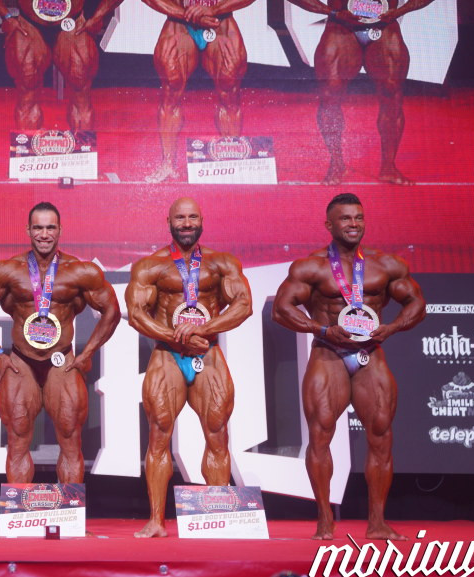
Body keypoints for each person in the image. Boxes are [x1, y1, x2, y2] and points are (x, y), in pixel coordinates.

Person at [272, 193, 425, 539]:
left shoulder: (387, 265)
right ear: (329, 224)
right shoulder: (311, 267)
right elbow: (281, 309)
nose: (353, 224)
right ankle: (325, 520)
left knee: (381, 435)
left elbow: (417, 303)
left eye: (358, 218)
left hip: (371, 352)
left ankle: (377, 522)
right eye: (345, 218)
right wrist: (322, 329)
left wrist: (392, 327)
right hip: (329, 352)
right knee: (320, 434)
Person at [0, 202, 120, 483]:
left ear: (60, 230)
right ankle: (21, 508)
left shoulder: (80, 271)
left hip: (62, 360)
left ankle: (70, 508)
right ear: (28, 230)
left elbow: (112, 311)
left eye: (50, 228)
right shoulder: (7, 270)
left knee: (70, 438)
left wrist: (87, 352)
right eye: (38, 228)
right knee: (17, 438)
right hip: (21, 361)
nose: (44, 234)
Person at [126, 197, 252, 537]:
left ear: (201, 220)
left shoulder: (221, 263)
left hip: (208, 353)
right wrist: (176, 335)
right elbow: (136, 314)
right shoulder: (150, 266)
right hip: (167, 354)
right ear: (168, 222)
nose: (186, 223)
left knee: (217, 433)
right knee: (158, 434)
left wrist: (203, 330)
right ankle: (156, 521)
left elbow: (244, 305)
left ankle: (218, 517)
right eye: (180, 218)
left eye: (192, 217)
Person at [285, 0, 436, 185]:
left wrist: (401, 10)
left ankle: (388, 168)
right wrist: (331, 12)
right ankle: (337, 163)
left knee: (392, 93)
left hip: (384, 26)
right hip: (341, 26)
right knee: (330, 94)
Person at [144, 0, 258, 183]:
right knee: (171, 87)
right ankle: (167, 164)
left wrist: (214, 9)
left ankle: (231, 161)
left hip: (220, 21)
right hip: (179, 22)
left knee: (229, 86)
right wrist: (187, 14)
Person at [0, 0, 123, 131]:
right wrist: (5, 16)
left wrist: (99, 16)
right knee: (27, 83)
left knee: (79, 82)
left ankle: (83, 145)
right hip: (29, 24)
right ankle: (28, 146)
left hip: (72, 24)